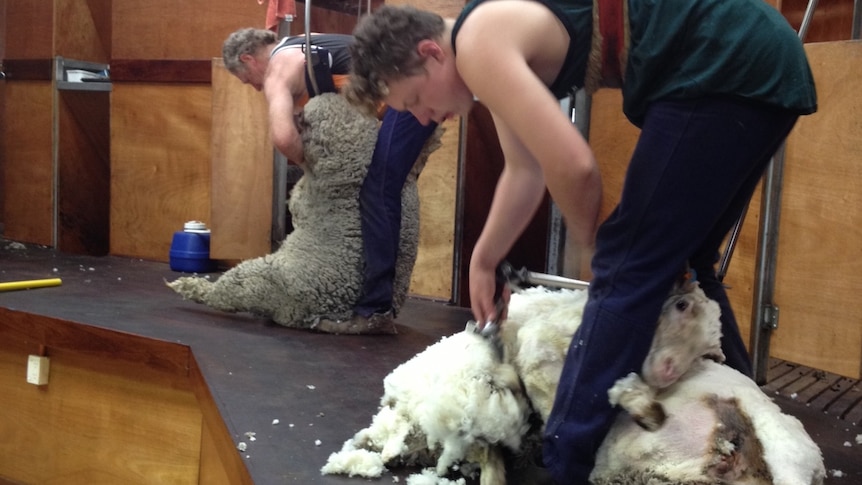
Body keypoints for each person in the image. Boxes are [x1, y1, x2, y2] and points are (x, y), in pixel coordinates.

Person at [346, 2, 816, 482]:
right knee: (684, 262)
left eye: (414, 100)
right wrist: (483, 260)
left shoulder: (477, 41)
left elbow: (575, 168)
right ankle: (761, 433)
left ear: (431, 54)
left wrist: (599, 251)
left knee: (630, 262)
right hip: (758, 55)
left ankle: (565, 465)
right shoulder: (482, 38)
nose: (426, 117)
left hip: (721, 57)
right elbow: (525, 170)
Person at [222, 28, 438, 334]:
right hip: (419, 81)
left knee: (378, 191)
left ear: (248, 59)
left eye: (247, 80)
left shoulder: (277, 69)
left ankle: (375, 311)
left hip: (416, 88)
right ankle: (374, 300)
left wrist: (314, 166)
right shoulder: (310, 39)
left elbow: (283, 138)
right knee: (382, 185)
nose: (255, 87)